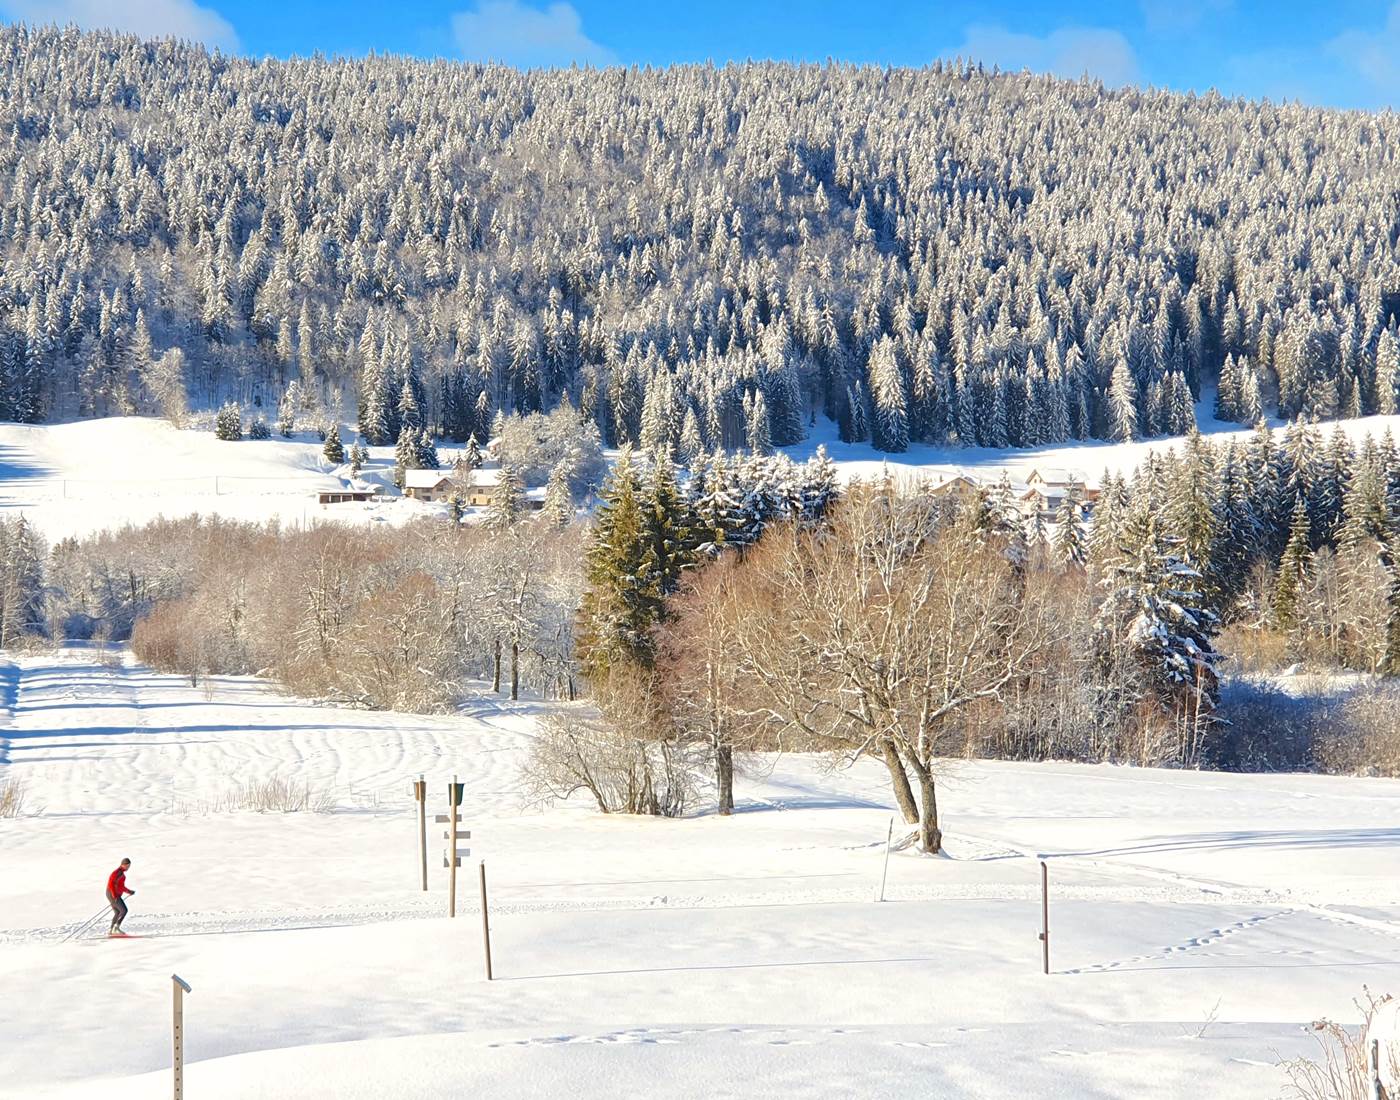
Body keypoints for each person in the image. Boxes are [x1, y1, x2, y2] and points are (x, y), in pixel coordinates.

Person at [106, 858, 135, 935]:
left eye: (129, 866)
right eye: (127, 866)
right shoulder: (117, 873)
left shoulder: (122, 874)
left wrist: (129, 891)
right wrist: (114, 895)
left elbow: (121, 887)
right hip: (112, 894)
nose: (128, 867)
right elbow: (111, 884)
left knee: (117, 912)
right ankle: (116, 928)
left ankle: (111, 930)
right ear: (123, 864)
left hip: (112, 894)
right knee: (124, 910)